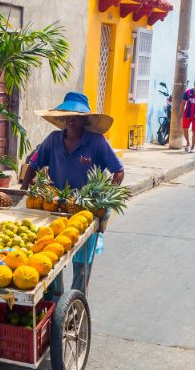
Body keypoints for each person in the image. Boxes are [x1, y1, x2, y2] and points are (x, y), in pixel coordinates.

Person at [21, 92, 124, 294]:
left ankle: (76, 301)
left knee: (82, 264)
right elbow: (33, 165)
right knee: (51, 256)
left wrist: (105, 196)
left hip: (85, 211)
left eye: (76, 116)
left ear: (84, 120)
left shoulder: (97, 142)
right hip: (56, 208)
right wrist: (23, 190)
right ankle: (57, 299)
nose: (71, 120)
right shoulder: (52, 140)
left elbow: (118, 171)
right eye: (68, 116)